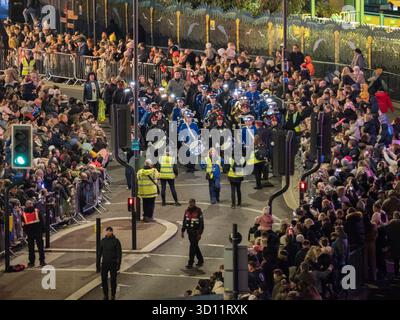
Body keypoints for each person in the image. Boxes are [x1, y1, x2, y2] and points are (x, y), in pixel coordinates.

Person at [21, 200, 46, 267]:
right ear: (32, 204)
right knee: (40, 247)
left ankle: (31, 262)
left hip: (30, 233)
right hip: (38, 231)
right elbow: (42, 221)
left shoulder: (23, 214)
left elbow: (23, 225)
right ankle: (42, 261)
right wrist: (43, 231)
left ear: (26, 205)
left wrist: (26, 232)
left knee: (31, 248)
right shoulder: (37, 211)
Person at [99, 227, 122, 300]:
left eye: (109, 231)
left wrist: (118, 264)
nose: (108, 232)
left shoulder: (116, 241)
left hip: (113, 263)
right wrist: (98, 264)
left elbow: (119, 254)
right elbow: (99, 253)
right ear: (105, 232)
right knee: (104, 280)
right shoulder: (103, 241)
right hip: (105, 263)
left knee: (113, 280)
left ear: (112, 232)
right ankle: (105, 295)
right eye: (107, 231)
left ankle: (113, 295)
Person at [181, 199, 204, 269]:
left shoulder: (198, 211)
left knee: (192, 247)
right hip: (189, 232)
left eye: (192, 204)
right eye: (190, 204)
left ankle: (190, 263)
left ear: (194, 203)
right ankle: (200, 260)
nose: (190, 205)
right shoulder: (187, 211)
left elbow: (201, 224)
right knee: (195, 246)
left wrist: (199, 233)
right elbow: (184, 221)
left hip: (196, 232)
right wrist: (182, 231)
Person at [385, 211, 400, 277]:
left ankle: (396, 273)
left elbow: (386, 232)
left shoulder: (390, 223)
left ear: (394, 216)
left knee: (396, 260)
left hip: (394, 244)